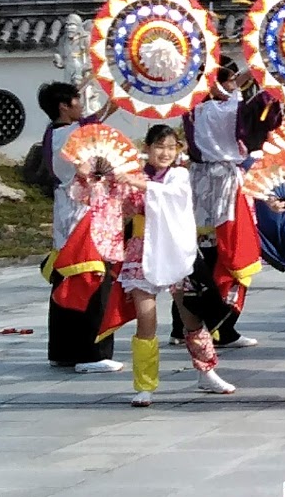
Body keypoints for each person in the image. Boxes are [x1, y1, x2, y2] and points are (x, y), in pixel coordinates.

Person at [102, 125, 229, 406]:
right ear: (147, 147)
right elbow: (119, 209)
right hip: (141, 248)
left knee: (191, 315)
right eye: (159, 146)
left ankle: (206, 370)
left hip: (175, 249)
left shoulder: (179, 175)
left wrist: (137, 184)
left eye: (171, 147)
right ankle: (145, 384)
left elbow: (172, 196)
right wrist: (108, 182)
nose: (165, 153)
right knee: (146, 318)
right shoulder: (132, 175)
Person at [174, 59, 263, 348]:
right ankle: (222, 324)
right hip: (226, 185)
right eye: (230, 81)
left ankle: (182, 324)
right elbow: (248, 112)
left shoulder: (192, 108)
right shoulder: (225, 109)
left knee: (200, 252)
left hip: (199, 183)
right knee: (229, 253)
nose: (235, 86)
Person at [39, 81, 121, 372]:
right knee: (93, 280)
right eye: (75, 99)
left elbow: (96, 118)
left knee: (66, 278)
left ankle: (63, 349)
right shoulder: (72, 134)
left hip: (68, 213)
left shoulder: (53, 133)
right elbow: (99, 117)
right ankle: (92, 352)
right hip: (84, 215)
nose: (79, 103)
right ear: (63, 105)